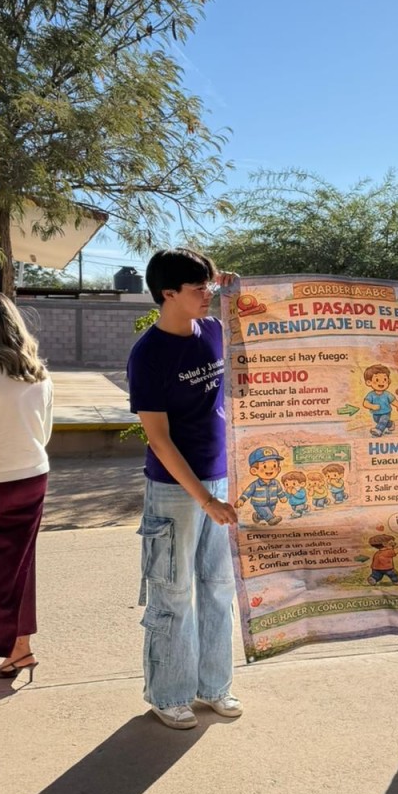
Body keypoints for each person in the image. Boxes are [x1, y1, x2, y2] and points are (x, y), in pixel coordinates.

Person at [127, 248, 241, 730]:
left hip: (221, 478)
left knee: (218, 589)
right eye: (198, 288)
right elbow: (159, 439)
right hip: (175, 490)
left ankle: (214, 687)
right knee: (173, 595)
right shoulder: (148, 354)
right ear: (167, 293)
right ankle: (169, 694)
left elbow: (256, 320)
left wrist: (233, 289)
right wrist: (205, 499)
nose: (207, 295)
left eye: (209, 285)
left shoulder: (212, 330)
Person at [0, 280, 53, 680]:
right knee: (19, 565)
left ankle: (8, 646)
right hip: (31, 477)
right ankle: (20, 649)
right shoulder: (38, 374)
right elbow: (45, 433)